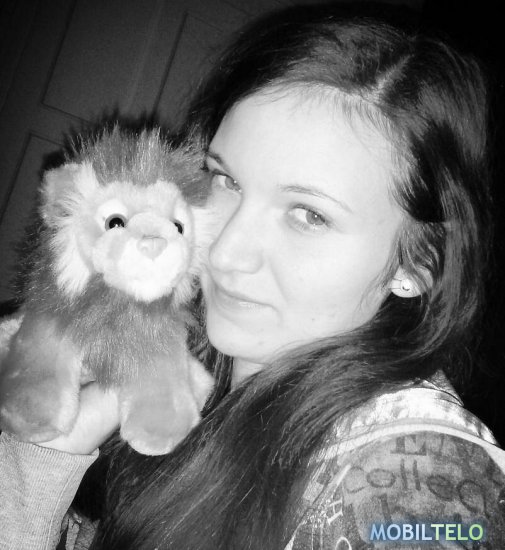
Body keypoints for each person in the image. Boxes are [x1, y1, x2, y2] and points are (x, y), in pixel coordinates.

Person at [1, 4, 505, 549]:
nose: (224, 253)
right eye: (226, 180)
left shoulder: (414, 467)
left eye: (309, 215)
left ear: (419, 264)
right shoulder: (170, 354)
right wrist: (49, 453)